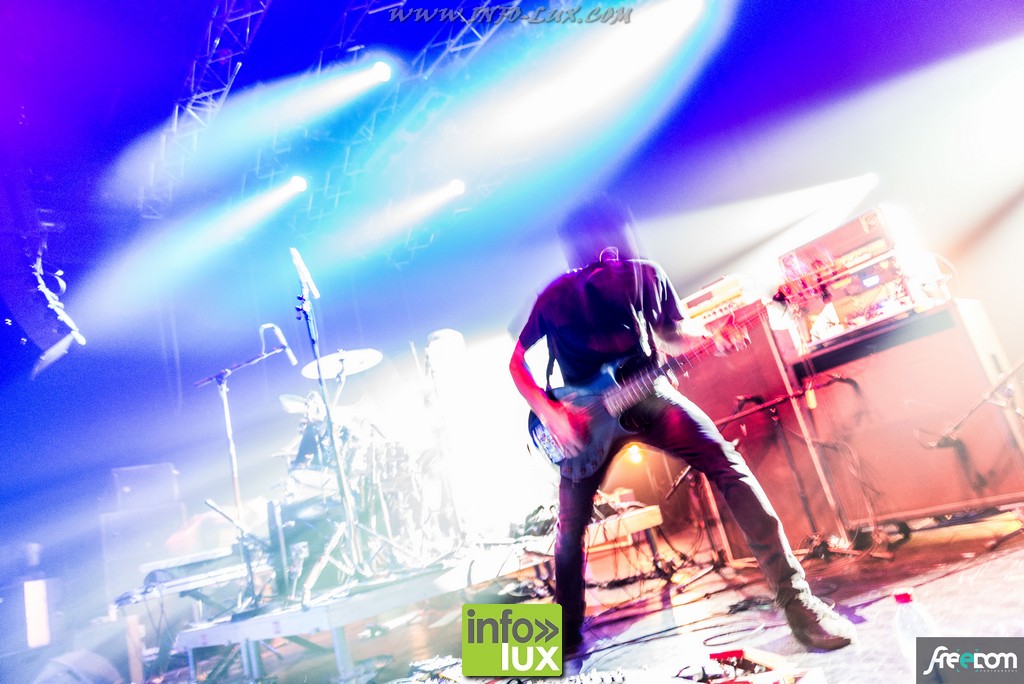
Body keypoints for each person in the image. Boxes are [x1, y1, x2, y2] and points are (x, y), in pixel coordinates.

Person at [508, 196, 856, 653]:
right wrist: (550, 412)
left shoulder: (645, 275)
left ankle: (797, 602)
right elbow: (516, 362)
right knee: (570, 529)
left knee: (728, 468)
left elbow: (672, 335)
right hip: (583, 419)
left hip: (648, 394)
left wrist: (714, 337)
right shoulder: (556, 295)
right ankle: (564, 633)